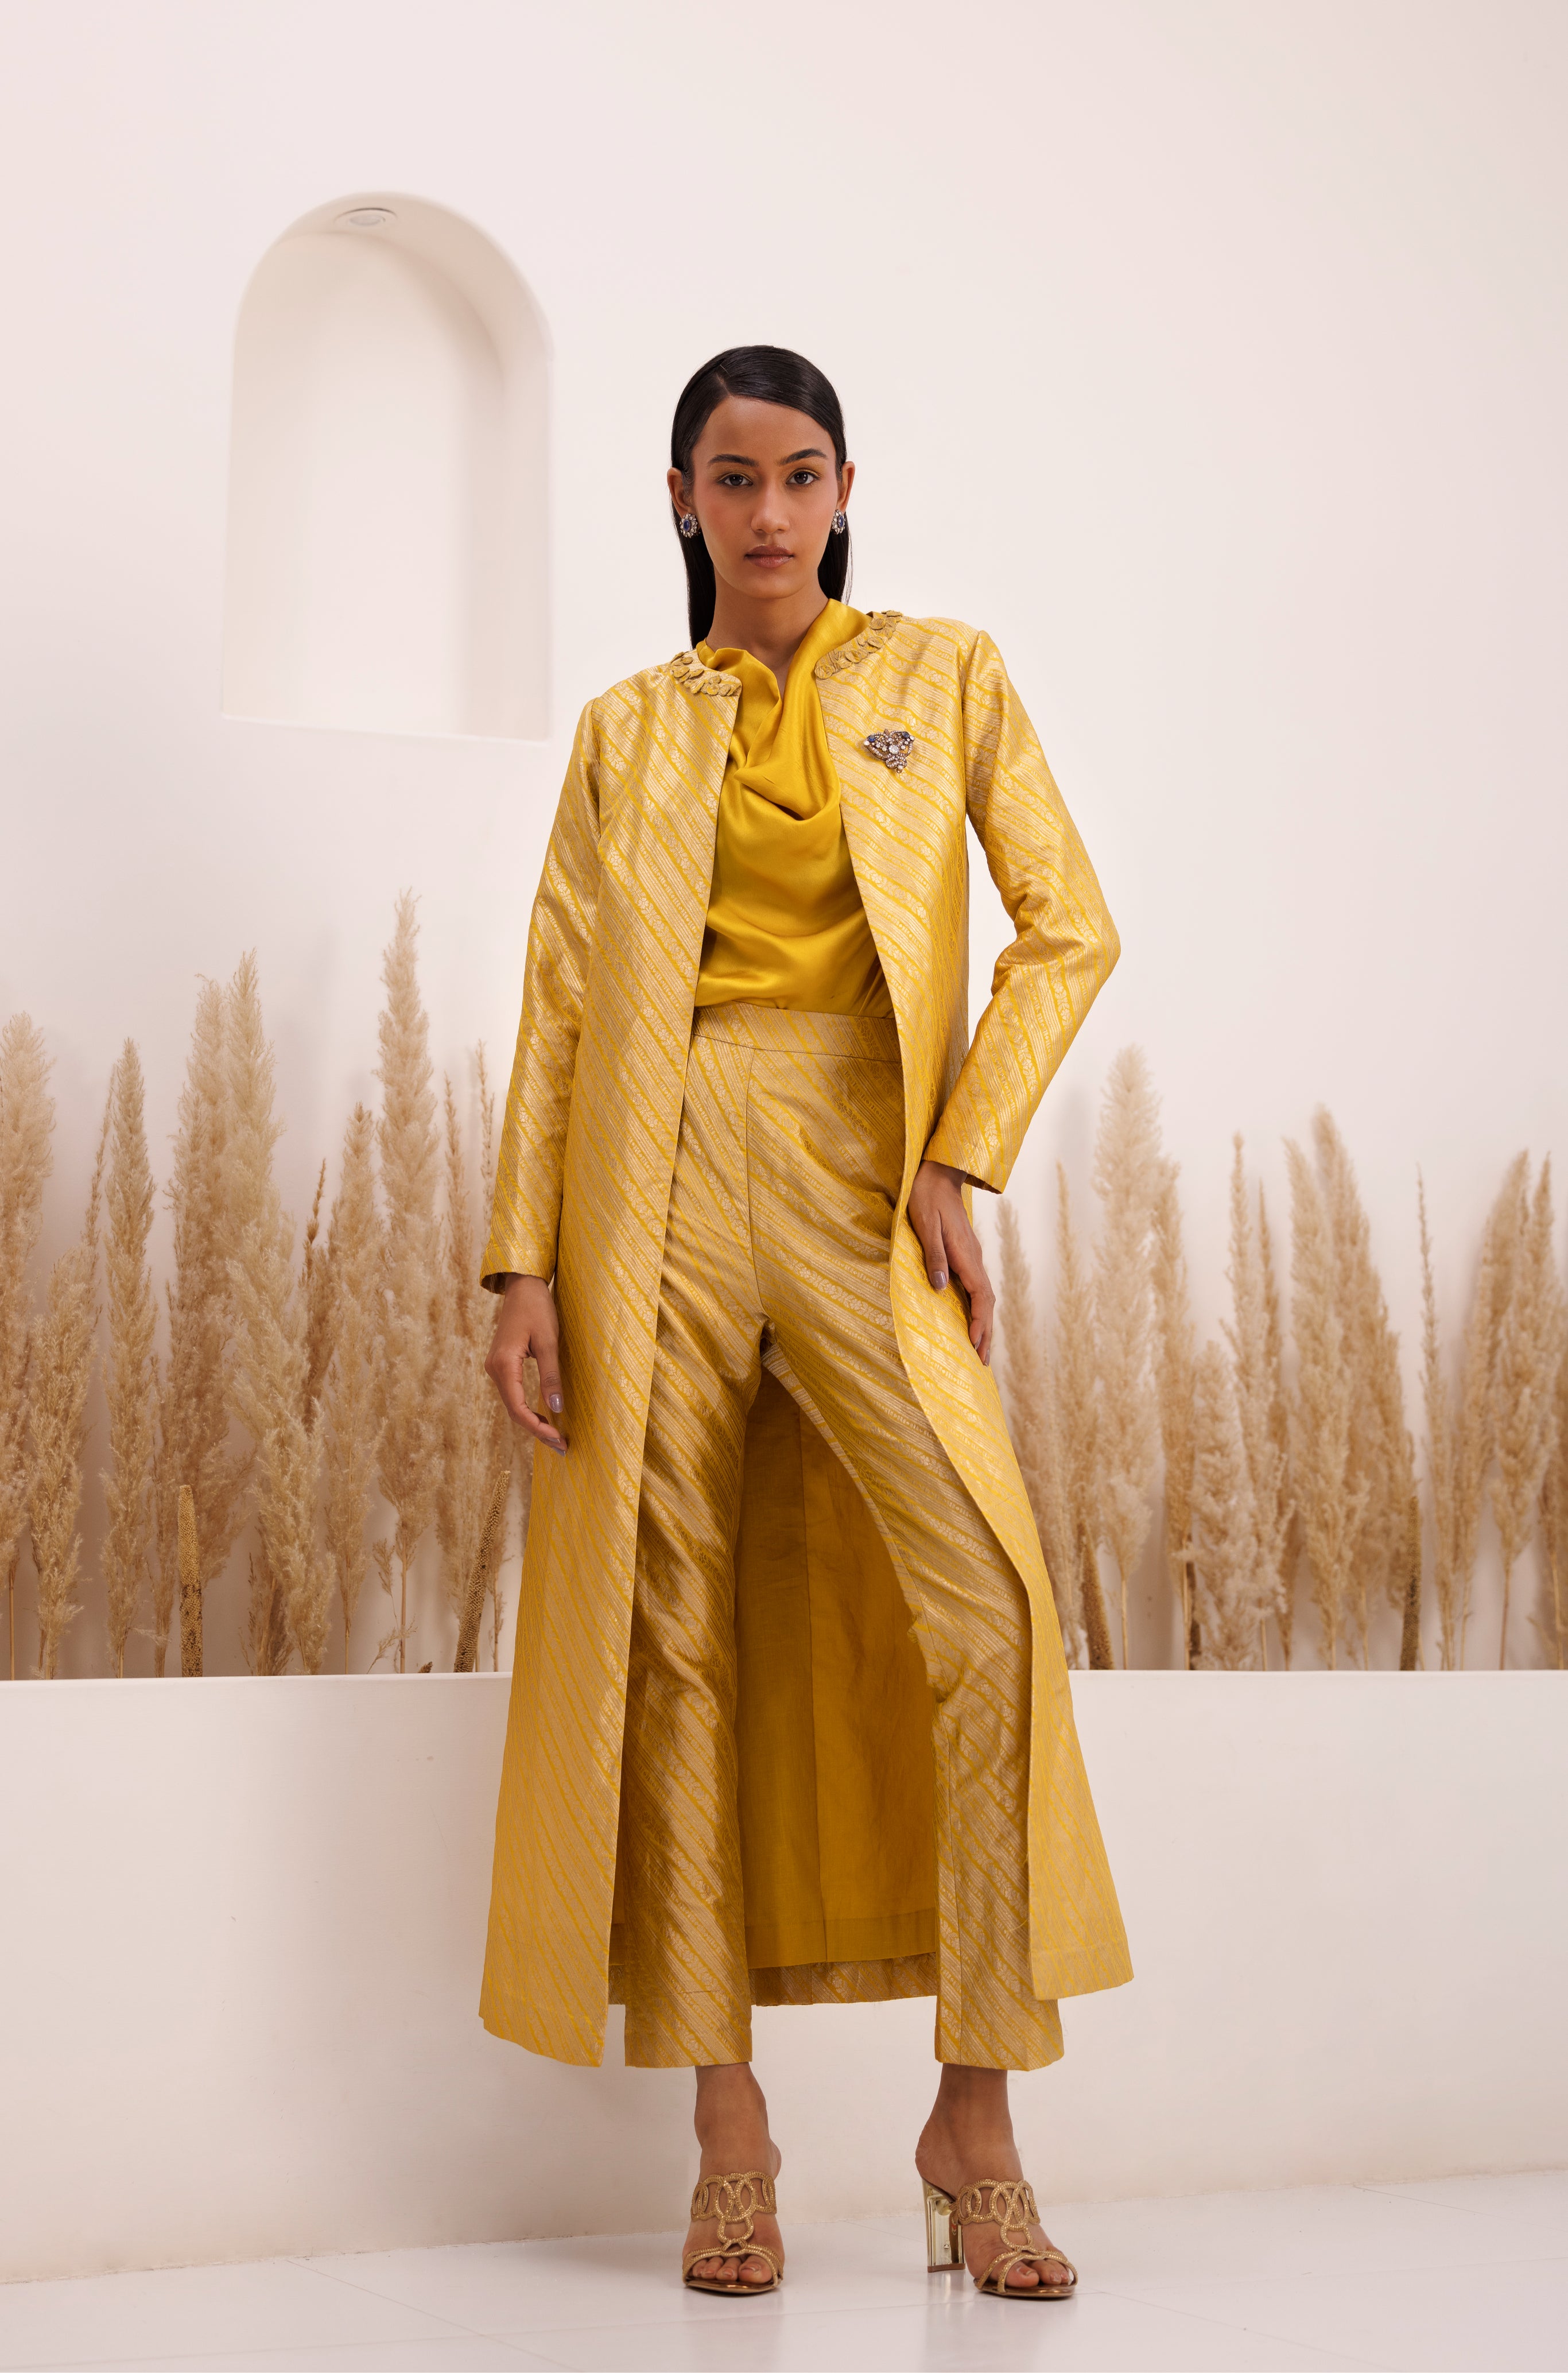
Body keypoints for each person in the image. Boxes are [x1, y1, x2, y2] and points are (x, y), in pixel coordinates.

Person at [481, 345, 1131, 2304]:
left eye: (798, 474)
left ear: (844, 491)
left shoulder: (944, 674)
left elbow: (1068, 926)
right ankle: (728, 2136)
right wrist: (523, 1265)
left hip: (866, 1156)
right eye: (729, 476)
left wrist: (961, 1150)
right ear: (681, 501)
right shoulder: (627, 727)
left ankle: (974, 2124)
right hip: (654, 1171)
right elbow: (563, 1000)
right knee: (670, 1626)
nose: (766, 511)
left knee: (987, 1600)